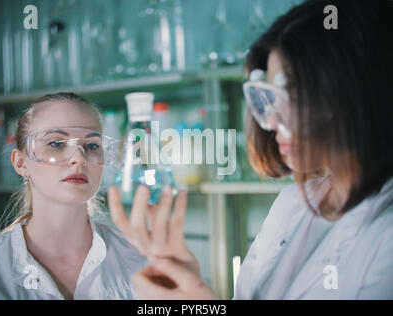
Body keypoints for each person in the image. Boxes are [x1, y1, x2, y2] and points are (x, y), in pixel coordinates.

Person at [108, 0, 393, 299]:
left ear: (360, 89)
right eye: (267, 97)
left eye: (292, 93)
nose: (270, 121)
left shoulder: (385, 235)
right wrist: (190, 290)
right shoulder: (292, 203)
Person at [0, 92, 147, 299]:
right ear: (20, 163)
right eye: (56, 143)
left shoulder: (140, 260)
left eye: (91, 146)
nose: (79, 159)